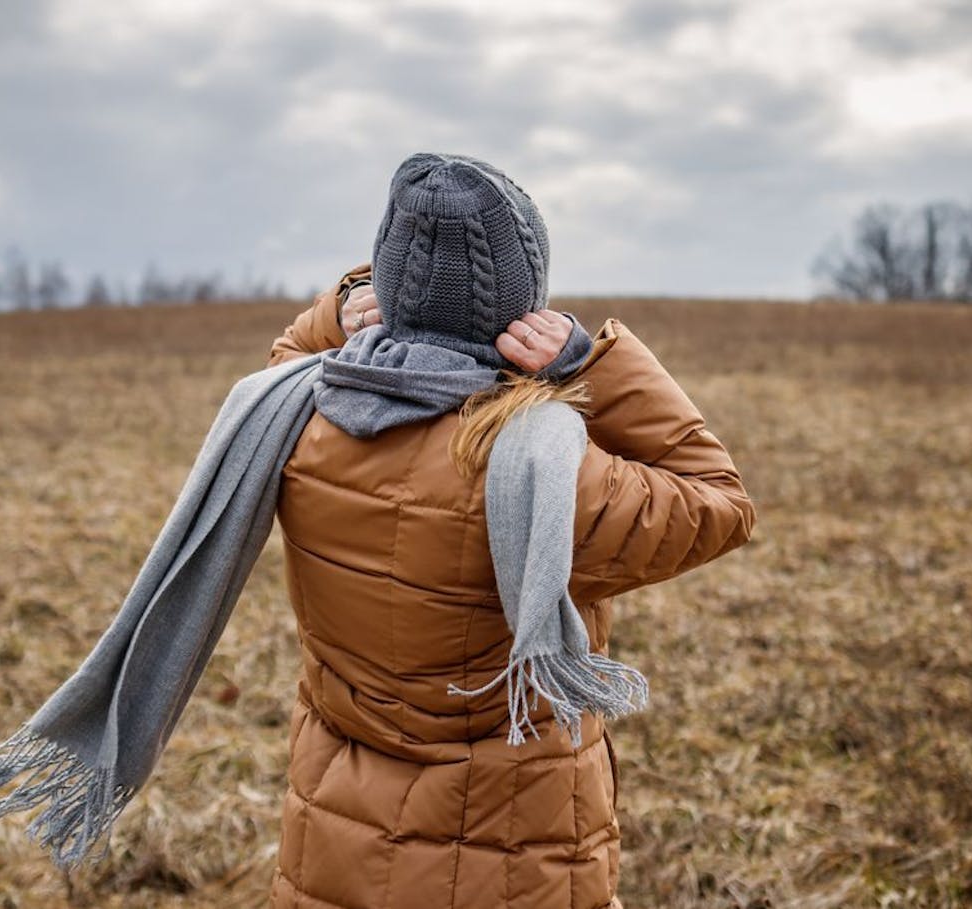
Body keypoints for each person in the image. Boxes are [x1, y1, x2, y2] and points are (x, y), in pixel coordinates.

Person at [263, 153, 757, 909]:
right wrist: (595, 364)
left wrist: (343, 309)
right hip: (512, 863)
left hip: (338, 851)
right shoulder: (547, 469)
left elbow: (289, 357)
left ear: (391, 291)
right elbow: (719, 501)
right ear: (522, 307)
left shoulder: (301, 423)